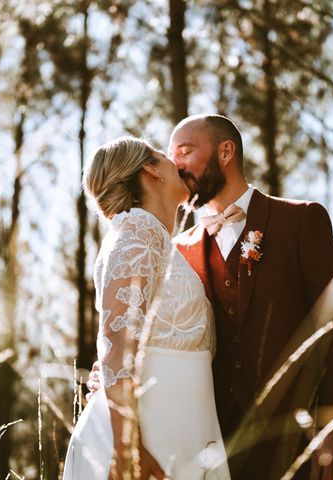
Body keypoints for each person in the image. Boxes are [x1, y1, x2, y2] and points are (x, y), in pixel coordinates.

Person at [89, 115, 333, 480]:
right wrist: (107, 371)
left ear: (226, 152)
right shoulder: (176, 250)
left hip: (298, 442)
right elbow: (131, 326)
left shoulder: (300, 221)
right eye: (170, 155)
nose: (177, 164)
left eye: (185, 151)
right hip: (209, 447)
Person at [64, 137, 231, 480]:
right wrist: (129, 448)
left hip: (179, 432)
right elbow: (117, 351)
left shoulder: (155, 239)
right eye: (163, 155)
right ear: (150, 169)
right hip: (145, 442)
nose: (176, 162)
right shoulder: (138, 231)